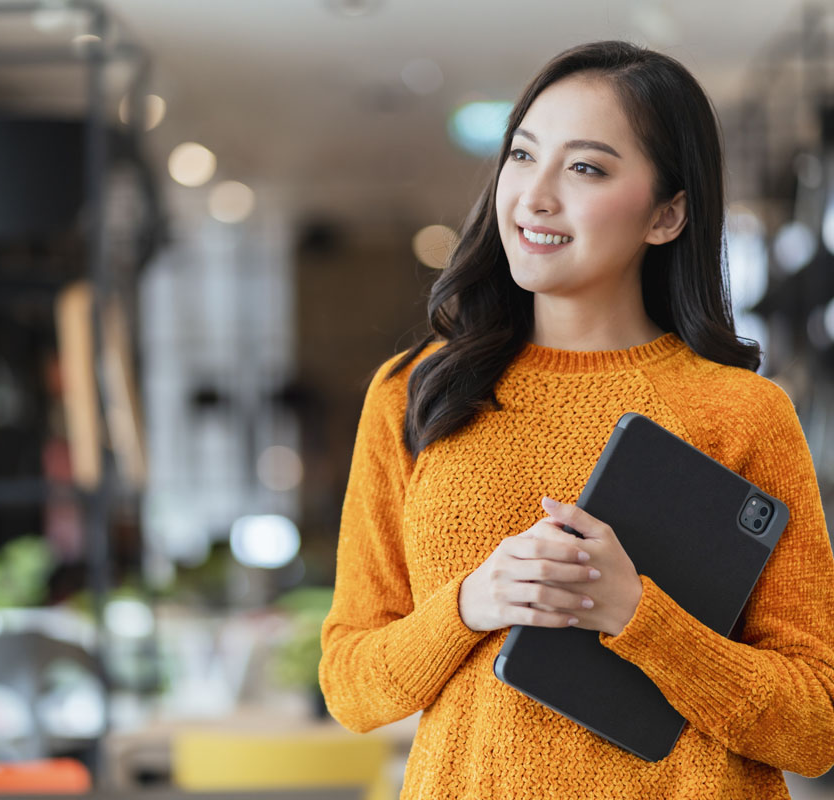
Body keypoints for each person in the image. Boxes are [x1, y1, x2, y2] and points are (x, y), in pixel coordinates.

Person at [317, 39, 834, 799]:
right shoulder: (416, 391)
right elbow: (351, 686)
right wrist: (469, 605)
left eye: (585, 167)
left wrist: (636, 614)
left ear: (667, 214)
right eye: (523, 156)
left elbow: (815, 729)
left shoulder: (741, 412)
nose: (534, 196)